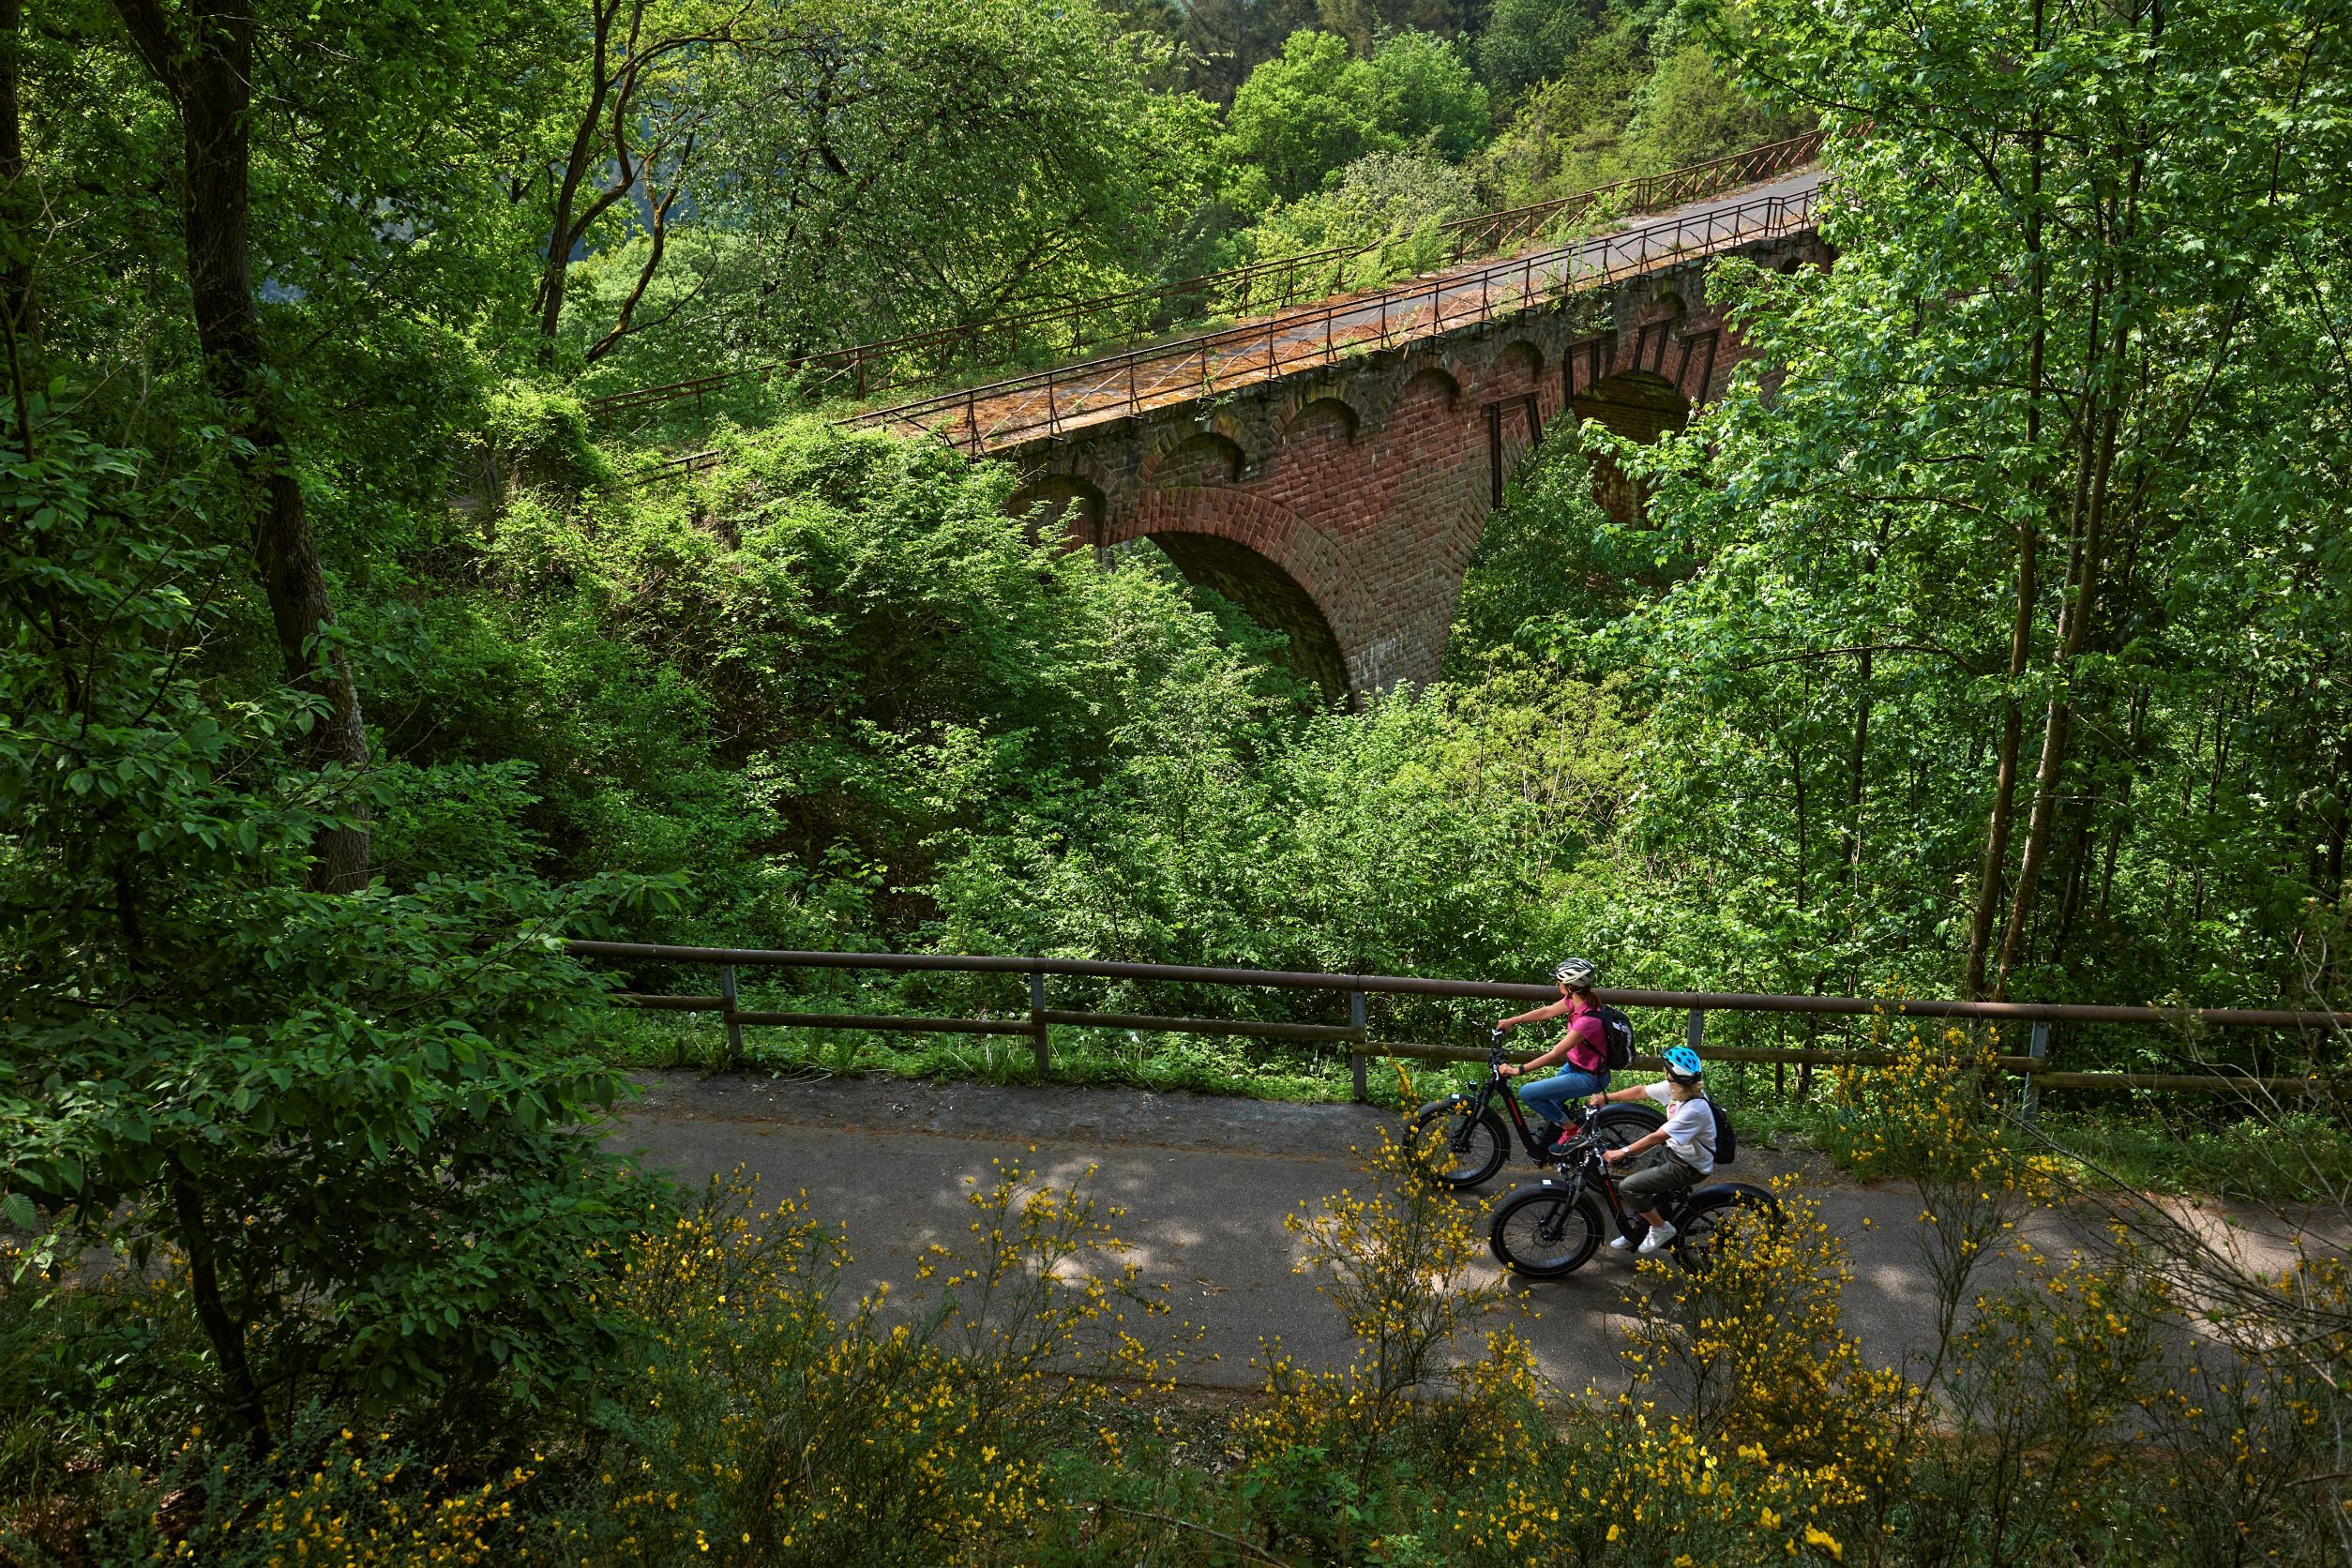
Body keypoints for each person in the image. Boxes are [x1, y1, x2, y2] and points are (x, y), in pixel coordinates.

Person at [1585, 1045, 1715, 1256]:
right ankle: (1637, 1232)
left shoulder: (1694, 1108)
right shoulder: (1676, 1089)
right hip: (1674, 1153)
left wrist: (1623, 1152)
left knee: (1629, 1187)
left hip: (1689, 1166)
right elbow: (1640, 1091)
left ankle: (1661, 1228)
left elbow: (1657, 1137)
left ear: (1670, 1073)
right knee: (1648, 1189)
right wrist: (1605, 1098)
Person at [1494, 957, 1611, 1151]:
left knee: (1528, 1093)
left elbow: (1554, 1054)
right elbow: (1546, 1011)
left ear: (1570, 986)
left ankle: (1574, 1133)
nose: (1557, 984)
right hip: (1576, 1067)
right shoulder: (1576, 1001)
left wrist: (1518, 1070)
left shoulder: (1587, 1020)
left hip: (1589, 1077)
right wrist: (1512, 1020)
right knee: (1552, 1103)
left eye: (1560, 981)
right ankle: (1571, 1139)